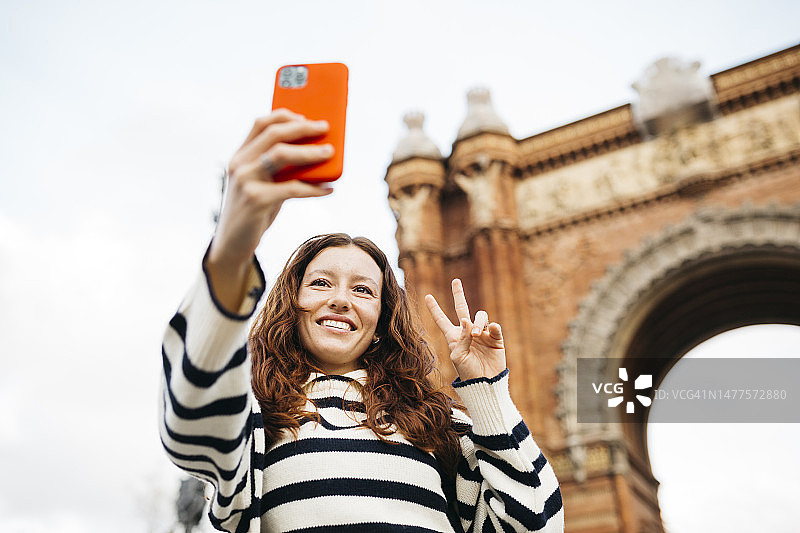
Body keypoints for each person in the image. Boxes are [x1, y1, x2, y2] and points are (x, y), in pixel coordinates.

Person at [160, 109, 564, 532]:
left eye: (363, 290)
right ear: (291, 302)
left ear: (382, 318)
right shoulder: (260, 416)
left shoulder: (436, 424)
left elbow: (538, 525)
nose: (340, 300)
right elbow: (189, 420)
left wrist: (488, 390)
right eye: (320, 283)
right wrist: (234, 245)